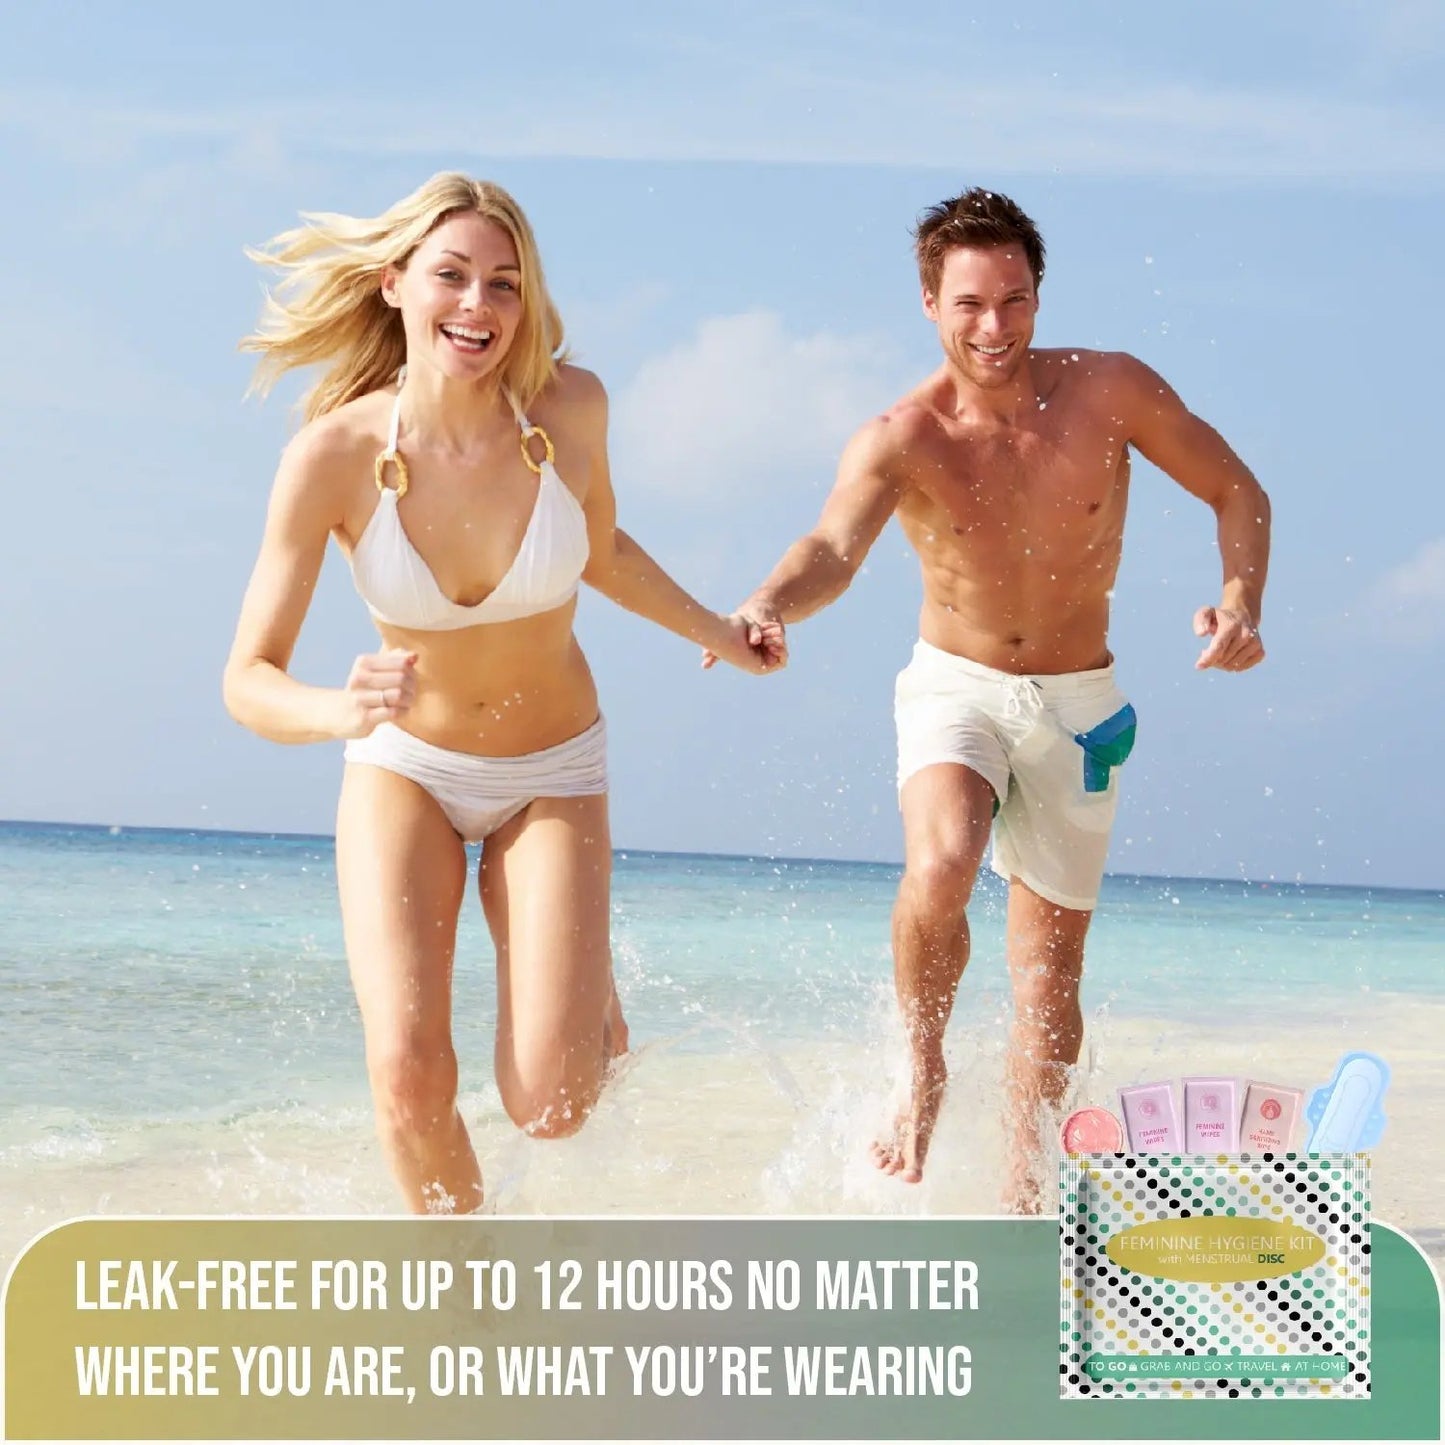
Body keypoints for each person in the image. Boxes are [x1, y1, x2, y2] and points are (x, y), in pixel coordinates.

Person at [224, 172, 785, 1214]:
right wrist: (334, 711)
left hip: (551, 767)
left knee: (553, 1105)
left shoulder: (570, 409)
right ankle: (464, 1299)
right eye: (451, 276)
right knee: (406, 1072)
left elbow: (601, 545)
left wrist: (720, 631)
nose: (477, 306)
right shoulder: (334, 457)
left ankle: (585, 1015)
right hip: (406, 768)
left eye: (504, 284)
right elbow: (246, 677)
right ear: (394, 283)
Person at [717, 188, 1270, 1210]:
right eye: (968, 303)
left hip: (1079, 701)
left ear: (1035, 295)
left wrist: (1238, 600)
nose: (993, 328)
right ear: (927, 302)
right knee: (941, 861)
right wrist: (767, 600)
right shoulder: (901, 435)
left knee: (1046, 985)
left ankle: (1021, 1197)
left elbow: (1236, 487)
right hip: (955, 687)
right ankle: (920, 1064)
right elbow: (832, 548)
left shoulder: (1109, 391)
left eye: (1013, 301)